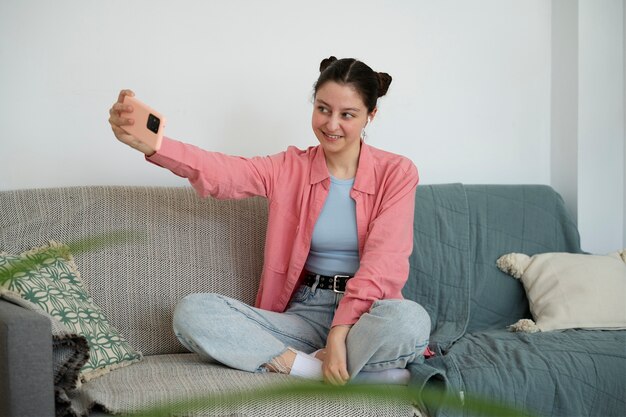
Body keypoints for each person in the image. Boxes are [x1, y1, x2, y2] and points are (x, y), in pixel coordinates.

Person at [108, 56, 431, 386]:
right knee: (193, 312)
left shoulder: (397, 173)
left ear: (370, 116)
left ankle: (321, 361)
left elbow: (384, 263)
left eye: (347, 114)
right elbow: (224, 171)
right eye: (323, 109)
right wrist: (156, 145)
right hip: (303, 314)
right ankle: (323, 371)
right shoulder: (290, 167)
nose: (331, 124)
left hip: (366, 316)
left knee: (410, 321)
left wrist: (339, 332)